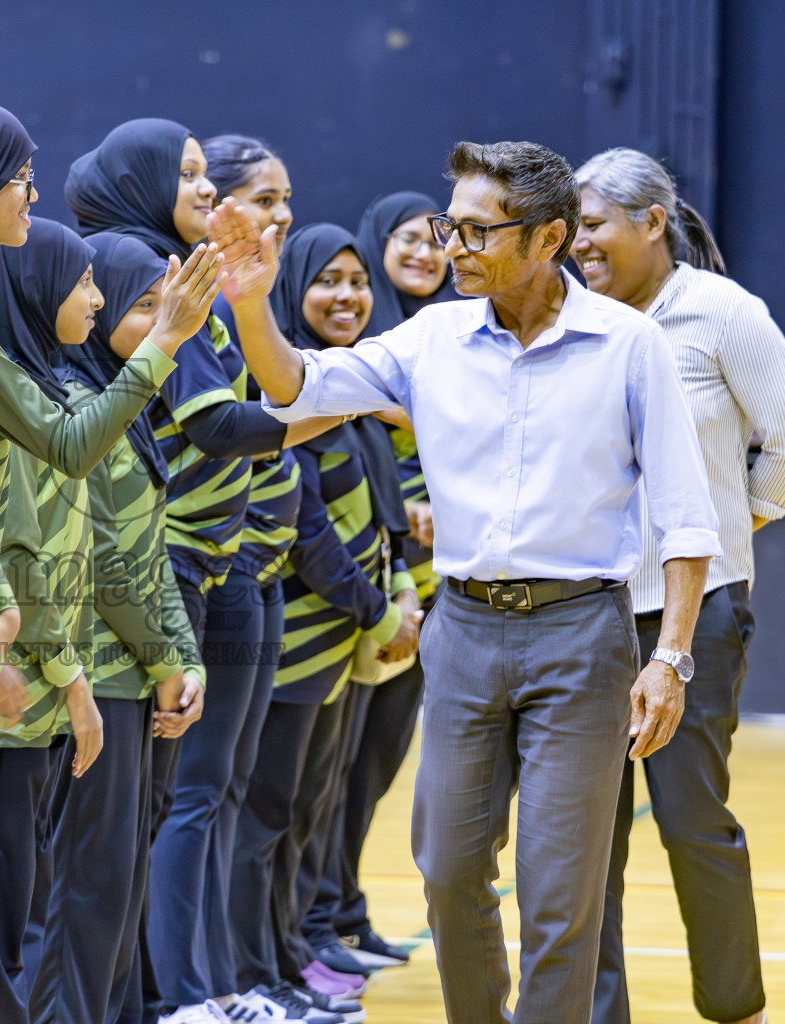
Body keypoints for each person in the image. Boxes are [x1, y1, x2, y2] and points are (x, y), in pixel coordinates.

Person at [211, 139, 722, 1024]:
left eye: (479, 230)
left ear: (549, 237)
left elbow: (686, 514)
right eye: (450, 224)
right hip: (464, 634)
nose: (453, 246)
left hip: (582, 637)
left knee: (560, 898)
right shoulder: (432, 337)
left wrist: (671, 655)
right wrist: (254, 307)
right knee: (448, 872)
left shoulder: (629, 345)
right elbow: (299, 389)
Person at [0, 98, 195, 1024]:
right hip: (5, 679)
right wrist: (77, 672)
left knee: (28, 906)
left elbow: (145, 549)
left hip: (17, 672)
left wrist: (172, 651)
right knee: (11, 913)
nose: (107, 305)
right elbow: (53, 549)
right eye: (13, 174)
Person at [65, 119, 337, 1024]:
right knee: (187, 797)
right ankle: (183, 994)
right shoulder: (156, 282)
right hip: (173, 567)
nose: (205, 195)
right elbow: (218, 426)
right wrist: (349, 400)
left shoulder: (203, 284)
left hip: (231, 564)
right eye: (193, 178)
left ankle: (223, 985)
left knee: (217, 788)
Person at [573, 146, 785, 1024]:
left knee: (689, 820)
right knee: (586, 836)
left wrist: (717, 536)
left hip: (696, 618)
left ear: (652, 221)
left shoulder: (722, 314)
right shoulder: (572, 319)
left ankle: (734, 1007)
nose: (580, 243)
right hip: (583, 614)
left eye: (596, 223)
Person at [226, 224, 418, 1023]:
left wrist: (396, 587)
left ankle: (293, 953)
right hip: (301, 638)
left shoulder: (358, 396)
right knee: (269, 814)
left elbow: (379, 519)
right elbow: (308, 530)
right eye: (327, 282)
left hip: (344, 644)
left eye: (356, 282)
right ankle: (260, 968)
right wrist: (377, 611)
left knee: (311, 807)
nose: (346, 297)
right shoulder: (290, 392)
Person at [27, 230, 214, 1024]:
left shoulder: (123, 410)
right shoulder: (79, 405)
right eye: (142, 307)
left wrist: (184, 661)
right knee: (82, 894)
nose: (152, 322)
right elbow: (102, 561)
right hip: (99, 679)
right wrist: (167, 657)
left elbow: (150, 547)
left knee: (114, 892)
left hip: (137, 679)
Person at [311, 190, 459, 976]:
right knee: (337, 768)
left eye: (440, 238)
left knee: (373, 766)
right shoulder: (367, 349)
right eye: (408, 238)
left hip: (423, 593)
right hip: (370, 592)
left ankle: (345, 906)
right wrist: (410, 506)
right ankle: (325, 916)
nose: (426, 253)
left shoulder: (457, 340)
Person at [0, 218, 110, 1024]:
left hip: (37, 702)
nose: (92, 297)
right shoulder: (20, 408)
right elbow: (24, 562)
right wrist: (71, 679)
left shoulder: (48, 390)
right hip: (10, 701)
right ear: (31, 288)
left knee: (17, 904)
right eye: (80, 280)